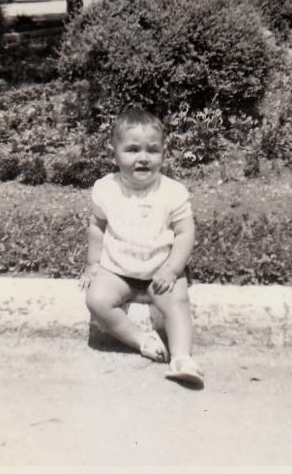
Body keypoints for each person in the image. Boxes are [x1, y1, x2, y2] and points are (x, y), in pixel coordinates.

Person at [78, 107, 203, 387]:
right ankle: (140, 340)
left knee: (177, 302)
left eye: (152, 150)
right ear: (114, 153)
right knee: (96, 300)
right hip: (118, 269)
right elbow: (97, 227)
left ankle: (181, 357)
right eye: (133, 150)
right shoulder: (106, 189)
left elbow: (185, 232)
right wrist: (93, 264)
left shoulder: (172, 192)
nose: (143, 157)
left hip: (160, 268)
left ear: (163, 152)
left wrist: (173, 269)